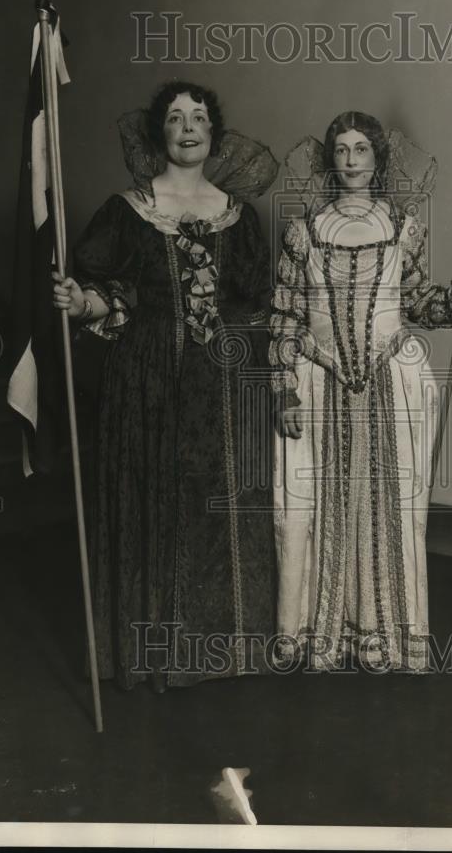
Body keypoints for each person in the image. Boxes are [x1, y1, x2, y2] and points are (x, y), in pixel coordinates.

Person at [53, 81, 278, 691]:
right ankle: (158, 655)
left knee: (221, 508)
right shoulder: (127, 211)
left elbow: (257, 305)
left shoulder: (241, 217)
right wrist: (84, 303)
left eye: (199, 117)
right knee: (158, 504)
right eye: (175, 118)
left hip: (226, 396)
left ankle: (228, 650)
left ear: (214, 133)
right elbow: (111, 291)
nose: (187, 127)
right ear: (159, 134)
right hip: (149, 386)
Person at [270, 110, 452, 672]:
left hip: (389, 383)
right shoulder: (305, 230)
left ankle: (380, 633)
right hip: (318, 383)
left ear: (377, 159)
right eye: (340, 150)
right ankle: (324, 632)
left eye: (361, 149)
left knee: (386, 504)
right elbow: (285, 313)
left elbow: (417, 303)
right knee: (315, 504)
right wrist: (284, 388)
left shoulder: (402, 227)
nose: (350, 160)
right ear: (328, 160)